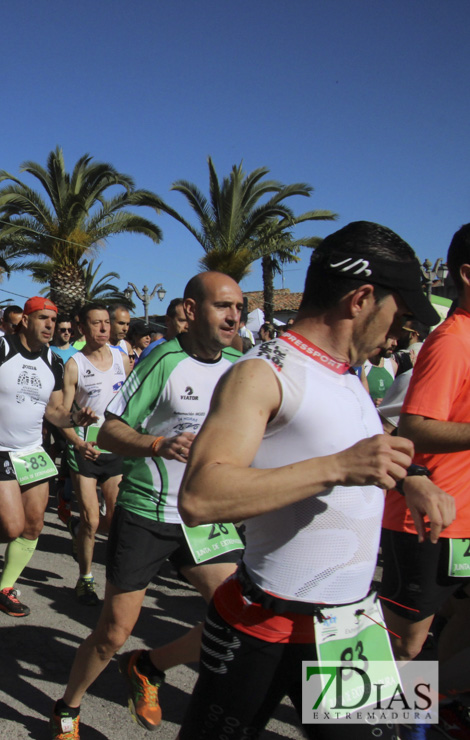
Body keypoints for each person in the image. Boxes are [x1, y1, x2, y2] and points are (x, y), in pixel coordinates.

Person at [174, 222, 448, 740]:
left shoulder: (348, 373)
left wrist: (410, 478)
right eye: (401, 315)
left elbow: (354, 449)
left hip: (351, 622)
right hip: (263, 623)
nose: (402, 332)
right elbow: (200, 497)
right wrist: (338, 468)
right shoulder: (262, 371)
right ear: (362, 299)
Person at [50, 272, 247, 738]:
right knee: (114, 631)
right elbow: (111, 430)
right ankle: (68, 706)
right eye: (223, 306)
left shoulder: (243, 364)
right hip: (148, 510)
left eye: (239, 306)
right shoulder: (164, 359)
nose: (234, 316)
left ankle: (149, 667)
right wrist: (158, 444)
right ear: (192, 310)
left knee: (241, 618)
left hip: (205, 516)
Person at [0, 296, 94, 617]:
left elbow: (56, 412)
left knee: (34, 524)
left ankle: (4, 589)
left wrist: (75, 419)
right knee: (11, 525)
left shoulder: (54, 362)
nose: (50, 325)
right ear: (26, 320)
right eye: (43, 318)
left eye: (53, 320)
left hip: (33, 452)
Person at [382, 223, 470, 675]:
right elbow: (413, 427)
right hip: (429, 519)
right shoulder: (453, 342)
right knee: (404, 643)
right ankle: (358, 721)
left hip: (462, 519)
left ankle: (437, 708)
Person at [58, 304, 131, 604]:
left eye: (106, 323)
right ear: (82, 328)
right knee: (90, 519)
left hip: (115, 448)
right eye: (96, 324)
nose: (103, 329)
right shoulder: (74, 365)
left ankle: (105, 564)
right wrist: (76, 441)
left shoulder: (122, 359)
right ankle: (85, 578)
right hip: (85, 450)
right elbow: (61, 415)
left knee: (114, 518)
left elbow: (135, 402)